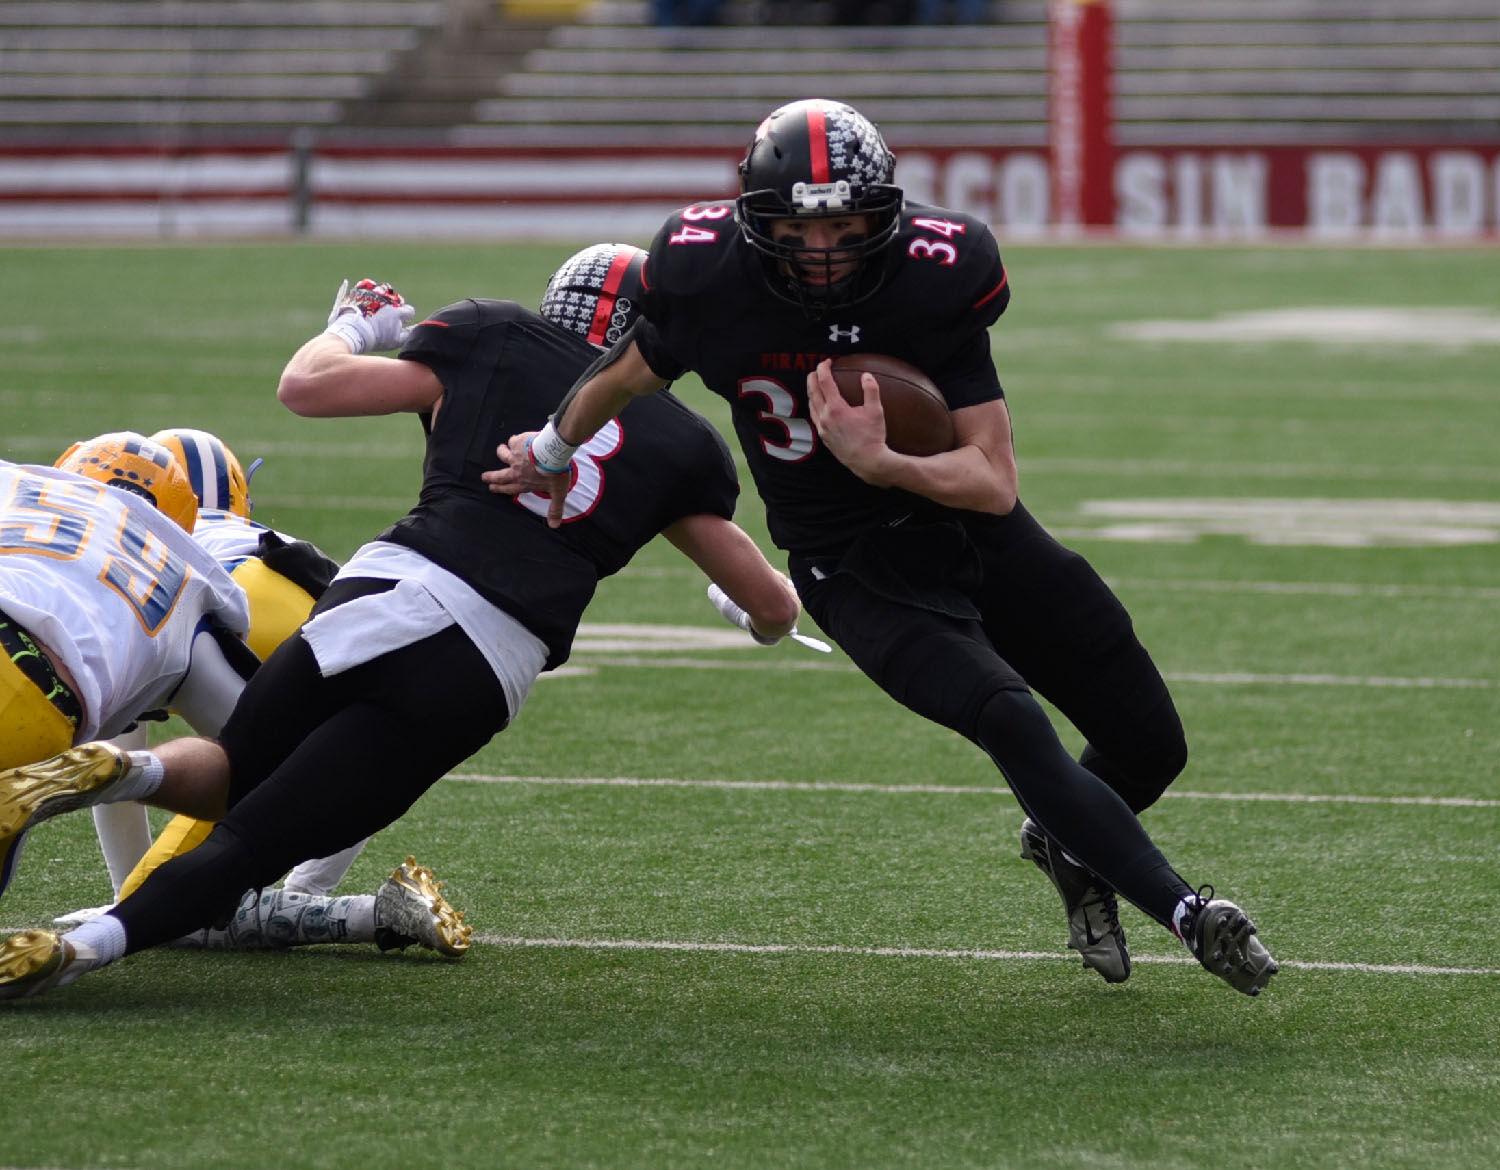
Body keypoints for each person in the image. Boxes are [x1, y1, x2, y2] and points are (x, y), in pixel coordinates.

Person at [483, 99, 1279, 996]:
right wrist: (550, 451)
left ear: (886, 214)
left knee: (1150, 743)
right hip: (851, 566)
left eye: (845, 224)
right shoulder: (708, 280)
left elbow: (993, 480)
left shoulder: (938, 275)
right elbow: (621, 375)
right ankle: (1187, 912)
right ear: (756, 220)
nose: (822, 250)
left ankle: (1064, 843)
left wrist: (884, 460)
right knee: (1009, 717)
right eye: (797, 226)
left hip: (971, 531)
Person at [0, 250, 801, 1000]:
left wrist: (357, 322)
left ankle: (120, 766)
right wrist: (740, 605)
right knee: (258, 843)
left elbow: (306, 388)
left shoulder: (489, 333)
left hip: (385, 586)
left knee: (235, 763)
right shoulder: (682, 442)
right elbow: (773, 607)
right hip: (485, 658)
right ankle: (85, 947)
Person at [74, 427, 364, 924]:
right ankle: (307, 889)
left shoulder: (142, 540)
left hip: (212, 606)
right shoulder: (261, 533)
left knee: (123, 743)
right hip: (311, 602)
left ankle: (133, 892)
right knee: (358, 754)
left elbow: (122, 736)